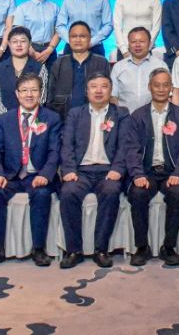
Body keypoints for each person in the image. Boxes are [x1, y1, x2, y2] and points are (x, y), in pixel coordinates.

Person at [0, 73, 62, 269]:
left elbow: (54, 151)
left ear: (41, 93)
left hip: (37, 174)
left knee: (42, 194)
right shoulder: (4, 120)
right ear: (17, 94)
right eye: (24, 90)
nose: (29, 94)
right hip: (11, 175)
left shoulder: (51, 118)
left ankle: (39, 249)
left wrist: (45, 174)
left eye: (34, 90)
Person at [122, 69, 179, 267]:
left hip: (172, 172)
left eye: (165, 85)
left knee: (178, 193)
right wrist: (137, 174)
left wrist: (178, 173)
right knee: (137, 193)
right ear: (149, 87)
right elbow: (131, 149)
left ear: (171, 88)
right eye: (157, 85)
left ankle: (168, 247)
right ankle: (142, 247)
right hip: (147, 172)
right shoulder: (138, 116)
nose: (161, 89)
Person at [58, 74, 128, 268]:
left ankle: (101, 250)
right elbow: (67, 145)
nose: (98, 90)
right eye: (93, 86)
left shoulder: (120, 113)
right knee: (68, 192)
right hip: (81, 171)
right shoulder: (75, 113)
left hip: (107, 171)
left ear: (110, 90)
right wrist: (69, 170)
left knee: (111, 191)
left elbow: (125, 145)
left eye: (104, 86)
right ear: (86, 91)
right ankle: (74, 250)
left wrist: (118, 169)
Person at [46, 21, 111, 118]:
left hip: (94, 118)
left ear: (90, 38)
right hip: (63, 119)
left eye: (82, 36)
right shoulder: (59, 63)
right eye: (74, 36)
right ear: (69, 39)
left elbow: (107, 95)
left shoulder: (101, 62)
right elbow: (50, 97)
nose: (78, 40)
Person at [0, 27, 49, 116]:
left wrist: (25, 118)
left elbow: (41, 99)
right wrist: (10, 119)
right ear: (9, 44)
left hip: (32, 120)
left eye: (23, 41)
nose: (19, 45)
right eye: (15, 41)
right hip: (4, 120)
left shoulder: (40, 68)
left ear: (30, 44)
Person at [111, 27, 167, 113]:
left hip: (153, 117)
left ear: (150, 43)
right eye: (133, 42)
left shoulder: (160, 65)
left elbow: (167, 95)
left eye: (142, 41)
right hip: (125, 117)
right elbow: (113, 97)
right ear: (128, 44)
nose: (137, 45)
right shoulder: (118, 67)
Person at [11, 0, 60, 68]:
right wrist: (32, 51)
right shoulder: (22, 8)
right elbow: (18, 33)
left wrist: (49, 50)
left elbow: (59, 31)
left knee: (51, 77)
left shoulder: (54, 7)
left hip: (49, 49)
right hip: (28, 49)